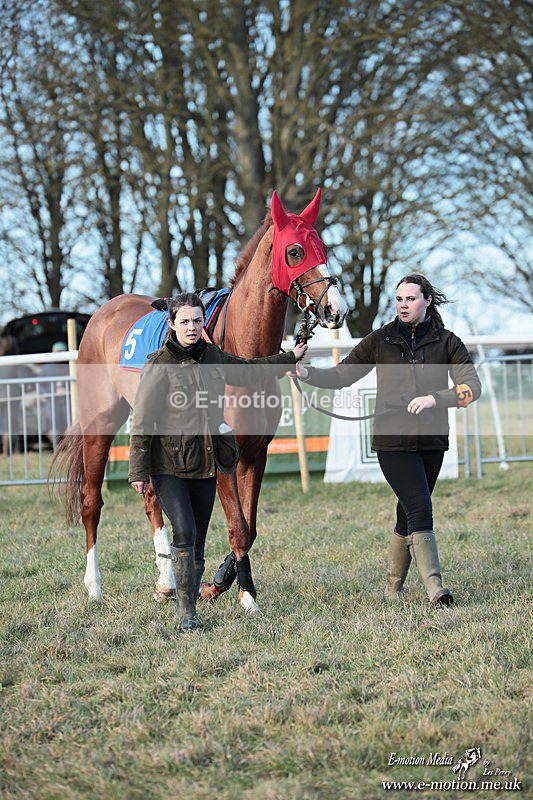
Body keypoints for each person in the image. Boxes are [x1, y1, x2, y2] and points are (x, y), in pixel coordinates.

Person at [294, 274, 482, 606]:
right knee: (421, 507)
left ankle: (393, 588)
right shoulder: (380, 339)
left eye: (410, 299)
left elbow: (471, 387)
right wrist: (308, 373)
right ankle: (435, 588)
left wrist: (437, 398)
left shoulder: (448, 342)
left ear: (427, 301)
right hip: (392, 441)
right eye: (399, 299)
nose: (403, 304)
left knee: (406, 513)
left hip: (432, 441)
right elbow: (343, 375)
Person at [128, 292, 308, 631]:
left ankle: (190, 598)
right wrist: (138, 469)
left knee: (197, 537)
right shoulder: (158, 365)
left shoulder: (213, 356)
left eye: (197, 321)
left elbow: (250, 371)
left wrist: (288, 358)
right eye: (184, 321)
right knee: (184, 530)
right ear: (172, 324)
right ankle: (186, 614)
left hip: (207, 462)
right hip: (168, 466)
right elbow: (142, 421)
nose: (192, 327)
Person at [39, 341, 70, 441]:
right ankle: (55, 447)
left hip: (68, 400)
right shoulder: (46, 368)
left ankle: (70, 445)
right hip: (52, 401)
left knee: (70, 422)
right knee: (53, 424)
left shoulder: (71, 366)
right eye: (57, 352)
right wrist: (49, 393)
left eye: (61, 352)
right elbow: (39, 385)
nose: (59, 354)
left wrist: (68, 390)